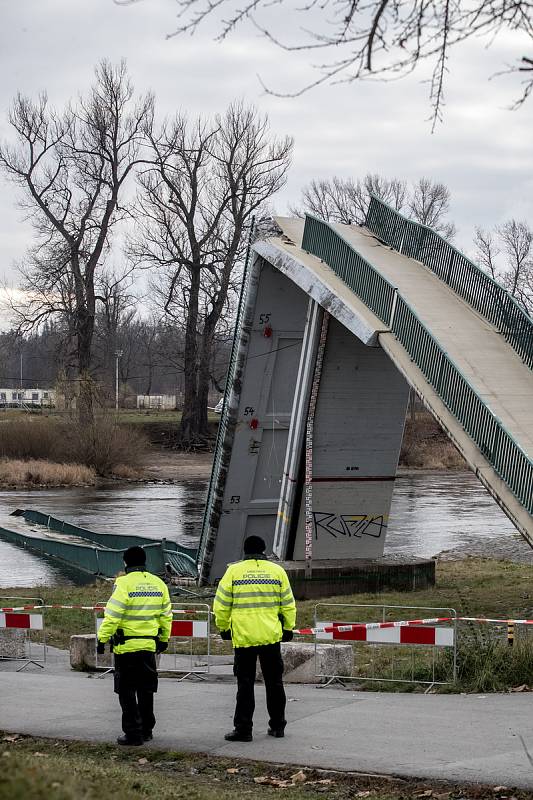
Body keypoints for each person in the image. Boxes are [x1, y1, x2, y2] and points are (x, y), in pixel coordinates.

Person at [214, 535, 296, 742]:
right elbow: (288, 603)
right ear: (264, 550)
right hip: (270, 637)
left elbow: (221, 605)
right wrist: (288, 627)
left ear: (244, 551)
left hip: (244, 638)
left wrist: (224, 628)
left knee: (245, 684)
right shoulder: (277, 572)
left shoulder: (233, 571)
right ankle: (278, 726)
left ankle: (243, 729)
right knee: (274, 683)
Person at [97, 546, 172, 746]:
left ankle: (133, 733)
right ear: (145, 562)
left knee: (127, 691)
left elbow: (113, 615)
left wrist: (102, 638)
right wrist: (164, 639)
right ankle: (147, 729)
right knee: (146, 690)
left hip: (126, 648)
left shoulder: (122, 584)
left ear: (125, 562)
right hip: (148, 646)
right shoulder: (159, 584)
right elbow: (166, 616)